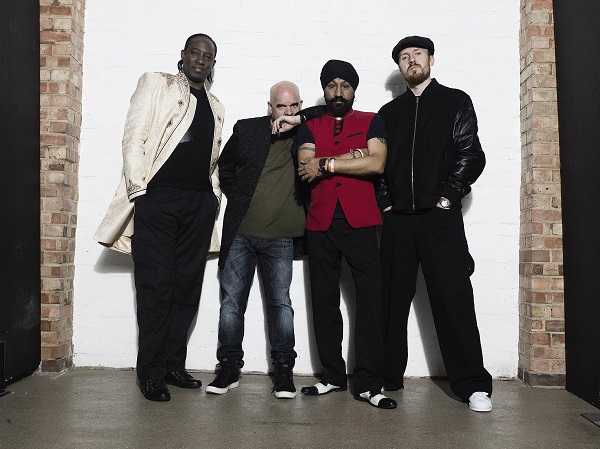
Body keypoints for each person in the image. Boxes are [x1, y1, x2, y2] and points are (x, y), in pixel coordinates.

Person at [94, 33, 224, 402]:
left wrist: (213, 198)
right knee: (155, 287)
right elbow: (134, 137)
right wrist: (140, 191)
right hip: (158, 199)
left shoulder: (216, 105)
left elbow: (212, 157)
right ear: (183, 55)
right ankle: (150, 373)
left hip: (198, 205)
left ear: (213, 64)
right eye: (195, 52)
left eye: (208, 56)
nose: (200, 60)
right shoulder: (157, 83)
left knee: (186, 289)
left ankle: (172, 366)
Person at [377, 35, 493, 412]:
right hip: (398, 220)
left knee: (453, 299)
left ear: (431, 59)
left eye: (418, 54)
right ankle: (387, 376)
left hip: (439, 217)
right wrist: (386, 203)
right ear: (399, 67)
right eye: (404, 57)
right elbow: (378, 165)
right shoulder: (388, 113)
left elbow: (471, 154)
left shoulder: (455, 101)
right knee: (391, 300)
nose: (412, 60)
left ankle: (473, 385)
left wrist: (447, 197)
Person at [206, 82, 322, 399]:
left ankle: (283, 371)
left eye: (294, 105)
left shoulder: (307, 132)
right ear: (270, 107)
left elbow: (328, 110)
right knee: (231, 304)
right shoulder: (248, 129)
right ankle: (228, 367)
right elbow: (225, 168)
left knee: (281, 304)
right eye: (281, 106)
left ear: (300, 106)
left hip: (280, 237)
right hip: (241, 234)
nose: (287, 111)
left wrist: (298, 120)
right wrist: (242, 196)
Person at [292, 59, 397, 409]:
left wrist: (329, 162)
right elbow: (305, 168)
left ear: (354, 89)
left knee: (370, 300)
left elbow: (377, 163)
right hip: (320, 223)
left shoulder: (372, 120)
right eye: (332, 85)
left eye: (345, 85)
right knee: (324, 302)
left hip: (360, 222)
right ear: (324, 89)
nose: (338, 92)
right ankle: (333, 376)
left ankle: (368, 383)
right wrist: (356, 155)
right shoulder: (310, 126)